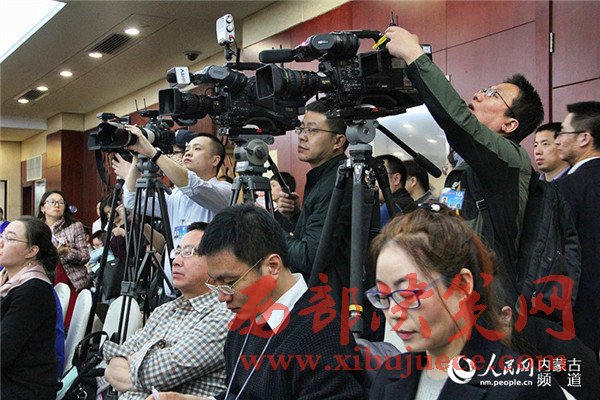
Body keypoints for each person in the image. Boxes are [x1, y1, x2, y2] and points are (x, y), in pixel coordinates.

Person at [385, 26, 544, 304]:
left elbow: (459, 122)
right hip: (459, 289)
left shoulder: (511, 160)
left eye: (492, 94)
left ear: (510, 124)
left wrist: (413, 55)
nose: (479, 94)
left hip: (490, 301)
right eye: (484, 89)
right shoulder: (467, 165)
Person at [152, 204, 364, 400]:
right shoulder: (243, 323)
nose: (222, 297)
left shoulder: (321, 335)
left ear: (272, 266)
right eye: (215, 284)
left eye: (230, 283)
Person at [367, 205, 564, 399]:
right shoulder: (390, 377)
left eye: (408, 295)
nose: (393, 312)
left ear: (462, 285)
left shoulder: (522, 388)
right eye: (383, 296)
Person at [103, 222, 230, 399]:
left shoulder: (224, 314)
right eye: (177, 252)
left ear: (218, 261)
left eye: (188, 252)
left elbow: (159, 374)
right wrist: (140, 367)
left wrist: (132, 361)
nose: (176, 261)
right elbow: (111, 364)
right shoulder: (164, 311)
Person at [113, 129, 231, 296]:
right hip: (173, 291)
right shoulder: (175, 195)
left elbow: (194, 187)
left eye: (197, 149)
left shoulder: (225, 191)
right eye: (187, 149)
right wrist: (137, 160)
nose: (188, 152)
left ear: (215, 160)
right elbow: (132, 201)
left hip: (208, 292)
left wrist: (153, 153)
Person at [276, 101, 355, 303]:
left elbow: (309, 258)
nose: (302, 136)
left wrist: (268, 227)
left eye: (312, 130)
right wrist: (295, 216)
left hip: (333, 301)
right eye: (301, 129)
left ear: (338, 141)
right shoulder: (324, 177)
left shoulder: (338, 183)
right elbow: (317, 237)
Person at [555, 101, 600, 354]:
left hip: (580, 311)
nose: (558, 140)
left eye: (562, 132)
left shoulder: (565, 189)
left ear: (584, 138)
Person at [1, 216, 61, 399]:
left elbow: (3, 351)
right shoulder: (9, 282)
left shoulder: (33, 290)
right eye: (2, 235)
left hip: (22, 388)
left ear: (32, 251)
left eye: (9, 238)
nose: (1, 242)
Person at [38, 190, 90, 327]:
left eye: (61, 202)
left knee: (67, 320)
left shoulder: (74, 226)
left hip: (69, 277)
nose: (57, 205)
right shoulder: (37, 228)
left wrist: (67, 252)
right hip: (43, 275)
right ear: (43, 208)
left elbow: (85, 256)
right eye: (52, 202)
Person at [376, 154, 417, 227]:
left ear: (396, 179)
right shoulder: (407, 203)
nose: (372, 182)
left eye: (377, 176)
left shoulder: (392, 207)